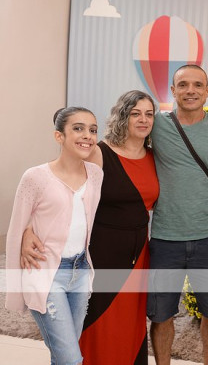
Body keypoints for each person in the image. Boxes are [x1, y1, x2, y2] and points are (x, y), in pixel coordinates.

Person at [20, 91, 160, 364]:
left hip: (139, 252)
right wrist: (27, 229)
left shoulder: (154, 157)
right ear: (123, 116)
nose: (143, 119)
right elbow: (56, 187)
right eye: (135, 113)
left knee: (130, 323)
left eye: (149, 114)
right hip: (102, 250)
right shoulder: (98, 152)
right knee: (98, 322)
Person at [147, 64, 208, 365]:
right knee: (161, 315)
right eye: (183, 85)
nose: (191, 91)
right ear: (172, 91)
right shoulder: (154, 126)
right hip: (164, 238)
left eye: (198, 85)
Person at [5, 107, 103, 365]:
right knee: (70, 359)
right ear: (59, 136)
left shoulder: (96, 174)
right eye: (78, 128)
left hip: (81, 272)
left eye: (93, 130)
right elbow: (16, 229)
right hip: (45, 274)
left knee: (63, 355)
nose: (87, 135)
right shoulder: (35, 177)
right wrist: (15, 289)